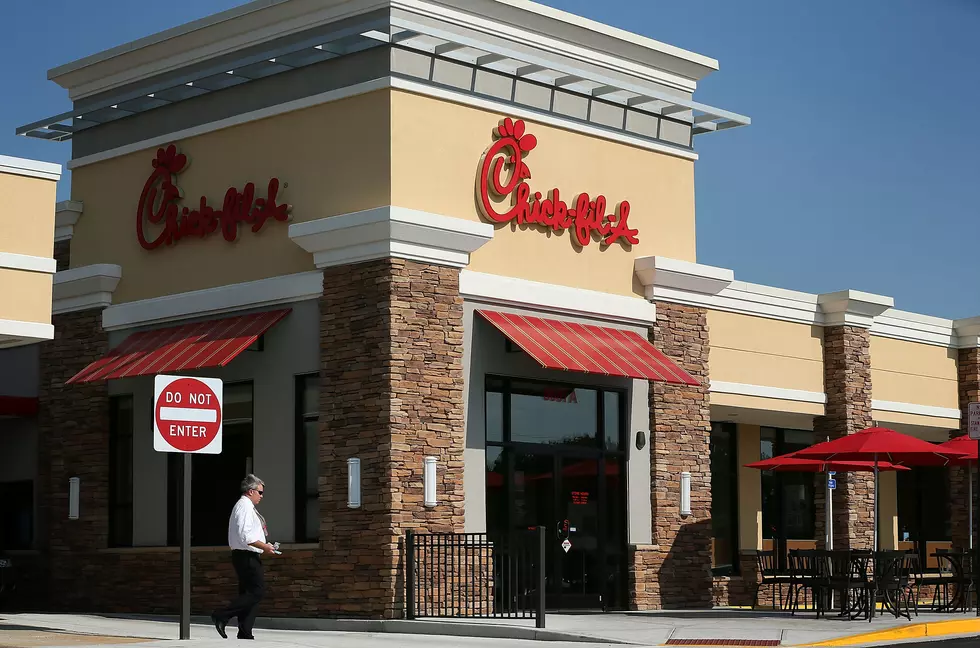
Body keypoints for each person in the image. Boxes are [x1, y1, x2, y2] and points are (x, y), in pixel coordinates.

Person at [211, 474, 277, 640]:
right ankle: (221, 615)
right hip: (246, 555)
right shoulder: (244, 507)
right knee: (257, 592)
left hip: (247, 555)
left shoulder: (246, 507)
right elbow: (245, 536)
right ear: (250, 491)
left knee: (249, 593)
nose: (262, 496)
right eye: (260, 492)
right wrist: (265, 546)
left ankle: (245, 631)